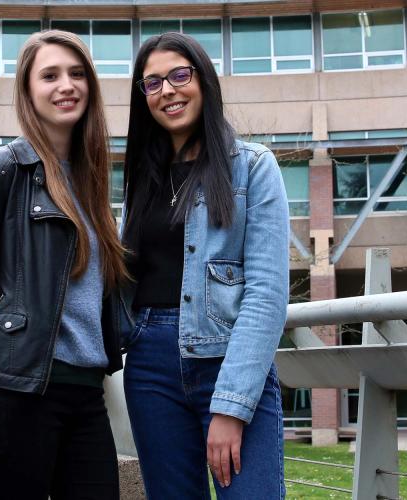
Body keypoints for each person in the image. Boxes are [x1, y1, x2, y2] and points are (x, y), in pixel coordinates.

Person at [0, 30, 129, 500]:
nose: (67, 85)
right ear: (27, 91)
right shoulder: (1, 172)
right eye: (51, 75)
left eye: (78, 74)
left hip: (85, 393)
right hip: (17, 394)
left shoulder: (91, 182)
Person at [119, 32, 290, 499]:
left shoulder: (253, 167)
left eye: (179, 75)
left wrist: (232, 406)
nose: (167, 90)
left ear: (204, 81)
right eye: (151, 83)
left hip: (227, 358)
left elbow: (268, 293)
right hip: (150, 368)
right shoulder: (141, 180)